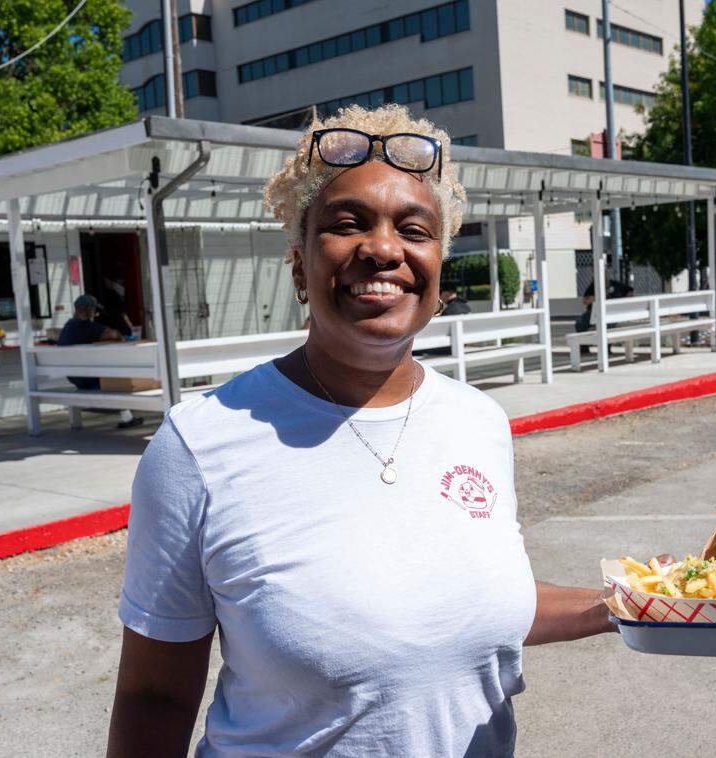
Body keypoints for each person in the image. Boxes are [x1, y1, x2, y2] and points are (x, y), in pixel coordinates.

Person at [107, 105, 615, 758]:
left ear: (437, 276)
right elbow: (155, 699)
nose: (382, 248)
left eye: (414, 228)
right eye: (347, 224)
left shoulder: (478, 423)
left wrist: (620, 604)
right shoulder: (200, 446)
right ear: (298, 266)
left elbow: (467, 603)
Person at [57, 294, 143, 429]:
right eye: (93, 309)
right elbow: (113, 334)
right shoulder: (87, 327)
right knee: (117, 378)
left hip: (74, 377)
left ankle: (128, 417)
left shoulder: (68, 327)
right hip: (88, 378)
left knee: (111, 374)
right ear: (86, 310)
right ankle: (128, 417)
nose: (95, 313)